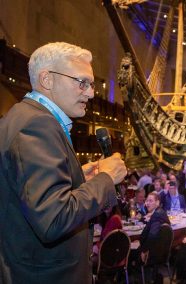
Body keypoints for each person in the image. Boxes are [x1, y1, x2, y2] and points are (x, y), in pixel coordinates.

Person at [0, 42, 127, 283]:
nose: (90, 93)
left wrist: (77, 176)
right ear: (47, 80)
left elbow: (27, 194)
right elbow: (53, 219)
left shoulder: (23, 117)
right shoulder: (38, 125)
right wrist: (106, 178)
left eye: (91, 84)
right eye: (81, 82)